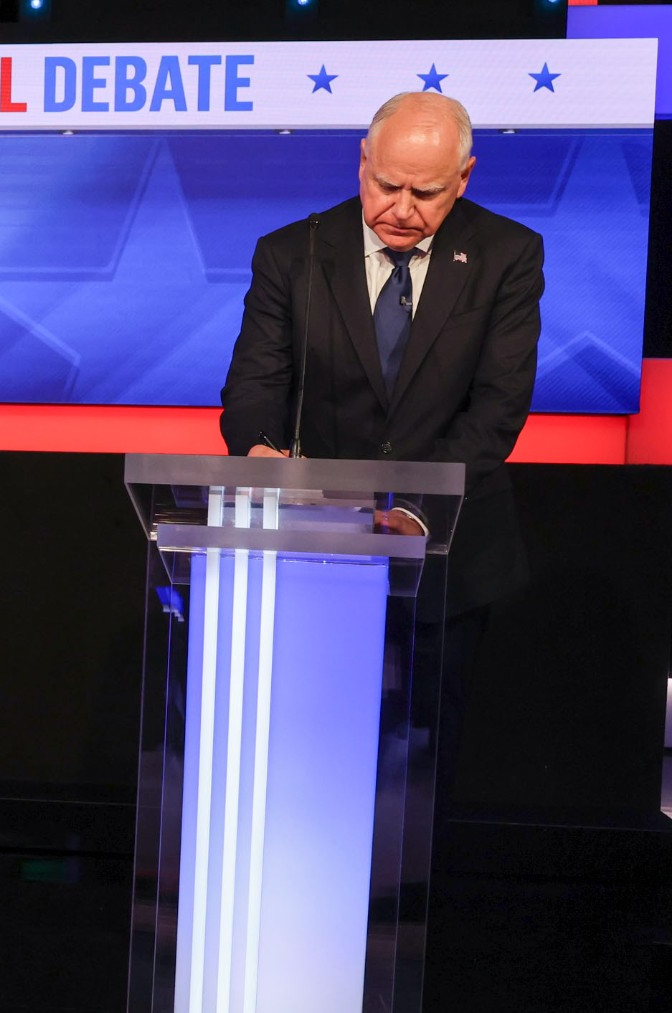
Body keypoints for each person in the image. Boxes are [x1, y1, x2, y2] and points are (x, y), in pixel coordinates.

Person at [219, 90, 542, 823]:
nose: (401, 206)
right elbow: (252, 389)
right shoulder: (291, 253)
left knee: (422, 770)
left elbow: (496, 413)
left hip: (447, 557)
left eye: (425, 192)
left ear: (463, 178)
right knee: (312, 761)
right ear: (362, 163)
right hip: (316, 557)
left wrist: (408, 509)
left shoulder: (507, 257)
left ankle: (404, 912)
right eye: (385, 184)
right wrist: (260, 451)